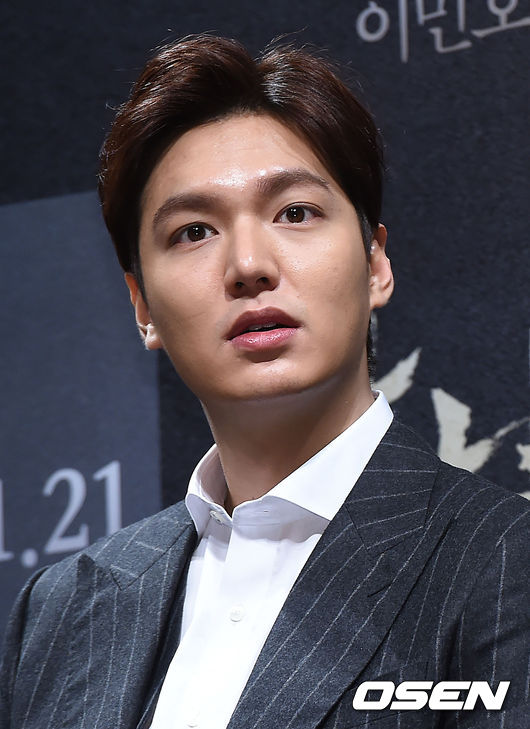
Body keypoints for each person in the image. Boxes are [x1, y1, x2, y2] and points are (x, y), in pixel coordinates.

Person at [1, 34, 528, 729]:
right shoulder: (57, 610)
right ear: (142, 306)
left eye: (295, 213)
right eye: (194, 231)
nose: (248, 264)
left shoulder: (504, 563)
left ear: (375, 265)